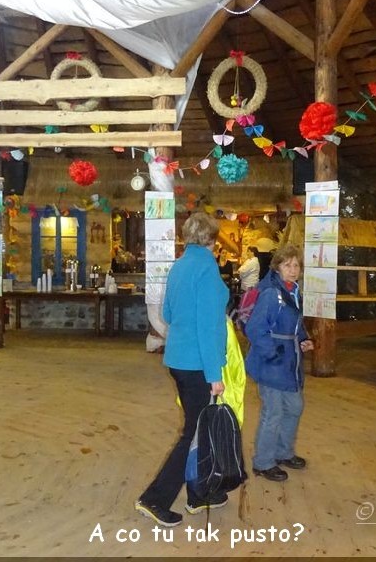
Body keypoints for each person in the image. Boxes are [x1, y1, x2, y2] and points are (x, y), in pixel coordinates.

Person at [135, 212, 229, 527]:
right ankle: (155, 499)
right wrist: (215, 374)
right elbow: (209, 327)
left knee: (200, 431)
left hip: (178, 358)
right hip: (198, 364)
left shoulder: (179, 266)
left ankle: (199, 494)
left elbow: (168, 313)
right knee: (193, 433)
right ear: (212, 239)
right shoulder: (208, 270)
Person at [244, 244, 313, 482]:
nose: (293, 270)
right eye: (287, 265)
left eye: (296, 265)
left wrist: (303, 339)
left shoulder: (293, 291)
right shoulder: (272, 294)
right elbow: (255, 329)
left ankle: (283, 452)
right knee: (272, 412)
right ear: (277, 267)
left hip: (289, 362)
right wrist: (272, 354)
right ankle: (263, 462)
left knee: (294, 407)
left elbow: (295, 324)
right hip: (272, 362)